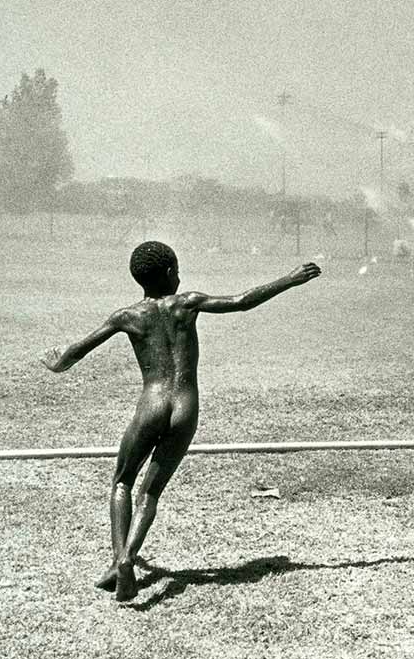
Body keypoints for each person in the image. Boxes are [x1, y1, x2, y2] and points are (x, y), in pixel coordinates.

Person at [41, 241, 321, 602]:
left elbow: (74, 353)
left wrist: (56, 363)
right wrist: (290, 279)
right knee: (150, 492)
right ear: (171, 272)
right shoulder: (187, 302)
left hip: (151, 404)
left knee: (122, 482)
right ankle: (127, 558)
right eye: (178, 268)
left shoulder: (126, 316)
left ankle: (117, 562)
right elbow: (240, 300)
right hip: (185, 406)